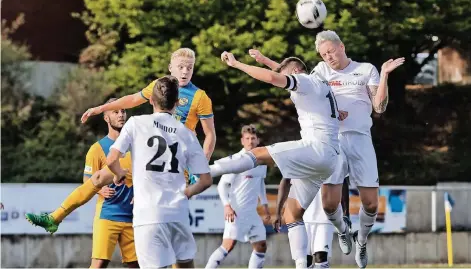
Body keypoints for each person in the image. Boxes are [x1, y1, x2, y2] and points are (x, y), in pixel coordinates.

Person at [249, 29, 405, 268]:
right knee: (329, 205)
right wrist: (267, 62)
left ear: (341, 47)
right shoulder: (320, 72)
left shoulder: (366, 70)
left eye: (331, 51)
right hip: (332, 142)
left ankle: (361, 241)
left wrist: (384, 74)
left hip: (361, 139)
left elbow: (379, 107)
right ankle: (343, 229)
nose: (328, 57)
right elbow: (296, 79)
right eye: (323, 54)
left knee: (371, 204)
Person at [210, 52, 347, 269]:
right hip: (329, 159)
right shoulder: (317, 82)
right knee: (292, 214)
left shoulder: (304, 81)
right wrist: (266, 61)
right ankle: (303, 266)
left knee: (258, 154)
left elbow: (275, 77)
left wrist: (237, 65)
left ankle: (207, 171)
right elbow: (284, 70)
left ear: (294, 73)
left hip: (315, 148)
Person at [106, 75, 213, 268]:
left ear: (151, 100)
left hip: (147, 215)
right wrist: (187, 192)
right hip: (177, 214)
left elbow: (111, 159)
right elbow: (205, 181)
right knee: (185, 264)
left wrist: (120, 173)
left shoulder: (136, 123)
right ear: (177, 103)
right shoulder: (187, 134)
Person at [26, 99, 138, 268]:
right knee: (99, 264)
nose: (121, 115)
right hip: (108, 215)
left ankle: (54, 218)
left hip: (133, 216)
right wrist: (100, 191)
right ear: (106, 118)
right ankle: (54, 218)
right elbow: (89, 181)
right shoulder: (97, 149)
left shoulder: (135, 146)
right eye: (116, 112)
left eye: (123, 111)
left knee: (137, 265)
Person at [80, 48, 216, 184]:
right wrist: (100, 108)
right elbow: (133, 100)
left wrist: (200, 167)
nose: (185, 71)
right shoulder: (159, 86)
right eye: (181, 67)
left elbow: (210, 135)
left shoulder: (200, 97)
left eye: (189, 67)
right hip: (149, 151)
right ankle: (64, 206)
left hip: (176, 160)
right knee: (98, 178)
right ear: (170, 67)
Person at [205, 125, 270, 269]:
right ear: (242, 141)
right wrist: (227, 206)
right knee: (228, 246)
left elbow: (260, 183)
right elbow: (222, 185)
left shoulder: (261, 161)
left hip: (252, 213)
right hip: (236, 212)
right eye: (247, 138)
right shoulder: (236, 160)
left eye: (253, 138)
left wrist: (265, 206)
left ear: (258, 140)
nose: (250, 141)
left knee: (261, 246)